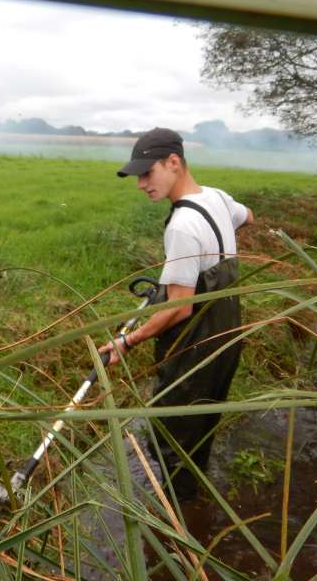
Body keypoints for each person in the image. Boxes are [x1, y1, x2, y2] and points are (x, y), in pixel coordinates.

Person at [98, 127, 253, 500]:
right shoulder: (217, 197)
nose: (140, 184)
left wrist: (127, 340)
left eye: (146, 173)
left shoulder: (182, 225)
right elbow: (249, 216)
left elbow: (180, 308)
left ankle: (178, 528)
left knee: (172, 439)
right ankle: (196, 505)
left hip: (194, 349)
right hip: (227, 339)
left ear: (173, 162)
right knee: (202, 426)